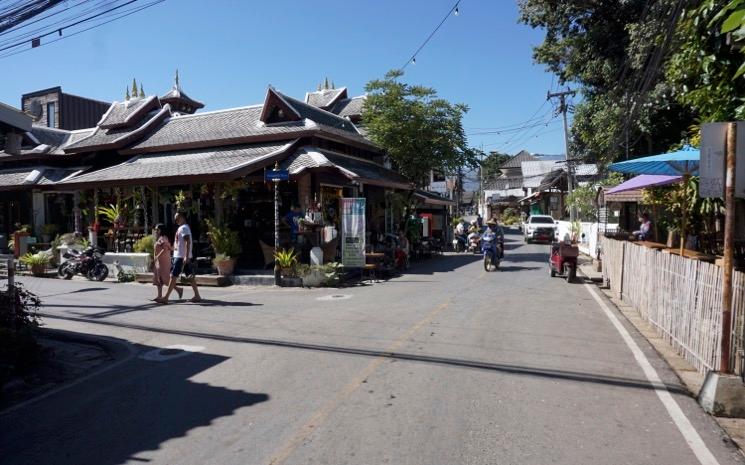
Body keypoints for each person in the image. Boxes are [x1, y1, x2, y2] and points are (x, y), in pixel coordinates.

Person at [157, 212, 201, 304]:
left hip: (181, 256)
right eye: (175, 218)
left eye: (178, 218)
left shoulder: (184, 228)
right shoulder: (182, 228)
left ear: (183, 217)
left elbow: (187, 242)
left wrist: (185, 256)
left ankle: (166, 297)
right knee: (189, 276)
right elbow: (180, 243)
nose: (176, 220)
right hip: (181, 255)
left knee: (173, 276)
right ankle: (197, 295)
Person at [152, 224, 182, 302]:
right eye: (155, 229)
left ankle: (178, 289)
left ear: (161, 230)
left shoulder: (164, 238)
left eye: (157, 229)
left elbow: (164, 249)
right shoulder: (159, 238)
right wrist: (155, 258)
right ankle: (159, 296)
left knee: (165, 278)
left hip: (164, 260)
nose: (156, 231)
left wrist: (157, 256)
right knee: (158, 278)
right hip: (158, 261)